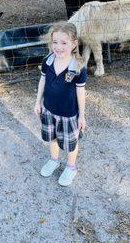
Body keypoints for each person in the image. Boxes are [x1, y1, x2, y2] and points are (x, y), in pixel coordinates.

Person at [34, 21, 87, 186]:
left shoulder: (78, 67)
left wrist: (82, 116)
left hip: (69, 114)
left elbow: (80, 91)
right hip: (49, 110)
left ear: (74, 44)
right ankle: (54, 160)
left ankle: (71, 167)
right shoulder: (48, 61)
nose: (58, 46)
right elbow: (42, 81)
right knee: (53, 138)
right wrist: (38, 102)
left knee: (71, 143)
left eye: (64, 43)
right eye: (55, 42)